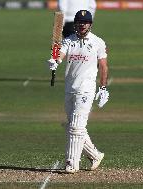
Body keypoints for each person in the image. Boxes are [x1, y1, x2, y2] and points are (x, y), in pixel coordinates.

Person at [47, 10, 110, 173]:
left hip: (86, 89)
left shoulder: (98, 42)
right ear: (75, 24)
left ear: (90, 24)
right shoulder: (69, 41)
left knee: (76, 127)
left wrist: (103, 88)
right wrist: (55, 62)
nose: (82, 25)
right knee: (74, 126)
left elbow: (103, 66)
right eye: (79, 22)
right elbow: (60, 54)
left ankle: (71, 163)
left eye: (85, 22)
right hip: (70, 89)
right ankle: (95, 155)